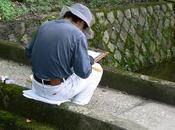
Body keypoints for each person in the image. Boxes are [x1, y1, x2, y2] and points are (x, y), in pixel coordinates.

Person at [24, 3, 103, 105]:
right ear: (81, 21)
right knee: (97, 70)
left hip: (36, 84)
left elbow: (28, 53)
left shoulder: (45, 26)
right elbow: (84, 73)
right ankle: (77, 106)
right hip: (55, 91)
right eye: (84, 27)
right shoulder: (78, 35)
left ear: (67, 15)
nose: (83, 31)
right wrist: (89, 61)